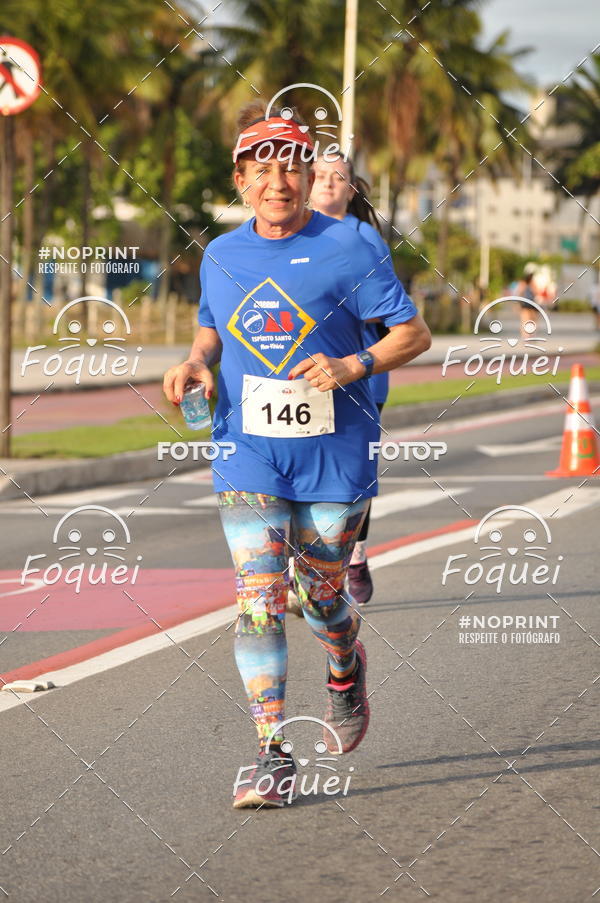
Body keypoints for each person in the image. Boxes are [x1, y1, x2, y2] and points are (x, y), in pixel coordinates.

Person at [163, 101, 431, 809]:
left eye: (290, 168)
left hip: (335, 453)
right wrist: (195, 362)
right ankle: (271, 753)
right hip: (247, 448)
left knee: (320, 598)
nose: (276, 182)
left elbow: (413, 334)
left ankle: (344, 666)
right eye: (261, 170)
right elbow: (212, 327)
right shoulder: (222, 254)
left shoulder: (352, 246)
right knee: (258, 601)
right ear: (240, 179)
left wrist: (352, 365)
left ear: (310, 176)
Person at [309, 154, 394, 605]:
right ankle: (303, 565)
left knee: (353, 476)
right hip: (300, 380)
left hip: (360, 379)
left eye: (337, 178)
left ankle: (355, 555)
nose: (327, 184)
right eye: (320, 176)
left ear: (351, 189)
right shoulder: (287, 233)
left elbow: (385, 314)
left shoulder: (364, 239)